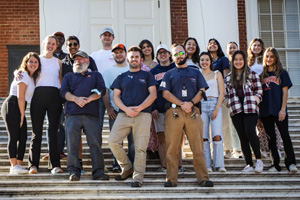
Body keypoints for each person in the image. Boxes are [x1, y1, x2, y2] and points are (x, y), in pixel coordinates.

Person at [159, 44, 213, 187]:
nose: (179, 56)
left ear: (185, 54)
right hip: (174, 112)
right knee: (172, 147)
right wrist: (181, 103)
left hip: (193, 112)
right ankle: (171, 179)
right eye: (175, 54)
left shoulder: (195, 72)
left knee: (198, 146)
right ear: (172, 56)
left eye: (181, 53)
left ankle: (203, 178)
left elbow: (202, 90)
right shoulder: (169, 74)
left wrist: (190, 103)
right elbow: (165, 93)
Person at [108, 46, 157, 187]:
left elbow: (153, 94)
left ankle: (138, 177)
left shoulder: (147, 75)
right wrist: (126, 109)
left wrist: (140, 108)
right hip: (124, 114)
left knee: (140, 148)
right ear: (127, 59)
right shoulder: (121, 77)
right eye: (132, 57)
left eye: (137, 57)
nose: (134, 59)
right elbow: (115, 96)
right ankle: (127, 167)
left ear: (141, 60)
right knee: (112, 141)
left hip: (143, 115)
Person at [60, 51, 109, 181]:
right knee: (72, 144)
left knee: (95, 143)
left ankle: (98, 171)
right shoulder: (68, 76)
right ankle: (74, 171)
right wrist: (76, 99)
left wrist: (89, 99)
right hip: (72, 115)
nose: (77, 61)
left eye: (80, 59)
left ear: (87, 61)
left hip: (91, 115)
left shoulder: (95, 75)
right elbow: (63, 92)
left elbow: (101, 90)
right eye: (75, 59)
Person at [28, 35, 63, 174]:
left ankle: (55, 165)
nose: (50, 46)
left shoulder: (58, 62)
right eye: (48, 43)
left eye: (53, 44)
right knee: (36, 133)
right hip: (38, 96)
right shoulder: (38, 60)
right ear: (43, 43)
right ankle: (33, 165)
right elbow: (25, 71)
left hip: (54, 97)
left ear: (56, 46)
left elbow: (60, 81)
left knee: (53, 132)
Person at [1, 52, 41, 174]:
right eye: (31, 61)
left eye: (35, 62)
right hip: (13, 105)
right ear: (26, 63)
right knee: (14, 135)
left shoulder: (32, 77)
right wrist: (22, 115)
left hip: (18, 106)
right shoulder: (23, 74)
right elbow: (20, 97)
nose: (33, 64)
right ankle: (13, 166)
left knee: (23, 136)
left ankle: (18, 164)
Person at [224, 50, 263, 173]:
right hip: (236, 109)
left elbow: (259, 90)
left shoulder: (252, 74)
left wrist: (255, 100)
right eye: (236, 60)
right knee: (242, 136)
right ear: (232, 61)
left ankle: (259, 160)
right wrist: (228, 104)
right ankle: (249, 164)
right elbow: (224, 94)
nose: (238, 62)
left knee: (250, 131)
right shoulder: (228, 77)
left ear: (244, 61)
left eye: (241, 59)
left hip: (250, 107)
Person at [260, 47, 298, 174]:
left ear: (276, 58)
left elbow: (285, 92)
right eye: (267, 56)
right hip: (266, 111)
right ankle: (275, 164)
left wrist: (283, 109)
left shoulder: (282, 73)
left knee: (285, 136)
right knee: (271, 139)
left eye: (271, 56)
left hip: (279, 110)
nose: (269, 59)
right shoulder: (261, 76)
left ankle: (291, 163)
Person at [103, 43, 135, 172]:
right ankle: (118, 164)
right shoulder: (108, 72)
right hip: (115, 112)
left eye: (121, 52)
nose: (119, 54)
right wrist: (109, 108)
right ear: (113, 55)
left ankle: (132, 165)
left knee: (133, 142)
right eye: (116, 52)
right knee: (116, 141)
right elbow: (105, 91)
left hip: (133, 112)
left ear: (125, 54)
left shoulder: (131, 69)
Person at [248, 38, 282, 158]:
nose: (256, 47)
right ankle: (263, 148)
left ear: (262, 47)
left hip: (267, 92)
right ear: (251, 47)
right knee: (259, 122)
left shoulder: (265, 60)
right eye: (254, 45)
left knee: (273, 124)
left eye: (258, 45)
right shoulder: (248, 62)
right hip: (254, 94)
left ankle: (276, 148)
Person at [150, 44, 175, 172]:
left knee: (176, 138)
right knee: (162, 138)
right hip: (159, 110)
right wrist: (153, 107)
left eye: (165, 52)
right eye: (160, 53)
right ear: (157, 56)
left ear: (170, 54)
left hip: (175, 109)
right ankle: (164, 166)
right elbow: (150, 91)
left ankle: (177, 166)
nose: (163, 55)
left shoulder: (176, 68)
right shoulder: (153, 71)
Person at [90, 27, 116, 153]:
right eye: (104, 35)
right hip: (98, 94)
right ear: (100, 37)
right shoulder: (94, 55)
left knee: (115, 128)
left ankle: (117, 161)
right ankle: (98, 157)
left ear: (113, 38)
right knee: (97, 127)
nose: (107, 37)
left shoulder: (118, 54)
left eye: (109, 35)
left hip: (115, 95)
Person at [199, 52, 226, 172]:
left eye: (207, 60)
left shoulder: (217, 74)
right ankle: (207, 165)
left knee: (217, 135)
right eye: (202, 60)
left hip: (215, 103)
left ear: (210, 61)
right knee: (204, 137)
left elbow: (222, 93)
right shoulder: (197, 74)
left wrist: (217, 109)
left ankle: (219, 164)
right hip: (202, 105)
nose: (204, 62)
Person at [207, 38, 233, 159]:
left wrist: (225, 92)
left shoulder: (223, 60)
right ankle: (213, 150)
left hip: (222, 94)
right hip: (210, 96)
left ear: (218, 46)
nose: (212, 45)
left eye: (215, 43)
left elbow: (227, 75)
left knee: (225, 123)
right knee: (212, 125)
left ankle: (228, 149)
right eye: (210, 43)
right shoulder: (206, 61)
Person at [138, 39, 159, 158]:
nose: (146, 49)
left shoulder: (157, 64)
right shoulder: (141, 66)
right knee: (147, 126)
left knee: (157, 126)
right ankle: (149, 149)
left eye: (148, 46)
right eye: (144, 47)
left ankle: (157, 149)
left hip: (157, 98)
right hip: (145, 98)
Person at [226, 41, 242, 159]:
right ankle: (237, 149)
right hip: (232, 101)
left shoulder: (243, 63)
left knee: (246, 127)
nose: (232, 49)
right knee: (232, 127)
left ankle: (244, 147)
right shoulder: (225, 63)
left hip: (245, 101)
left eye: (234, 47)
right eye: (230, 48)